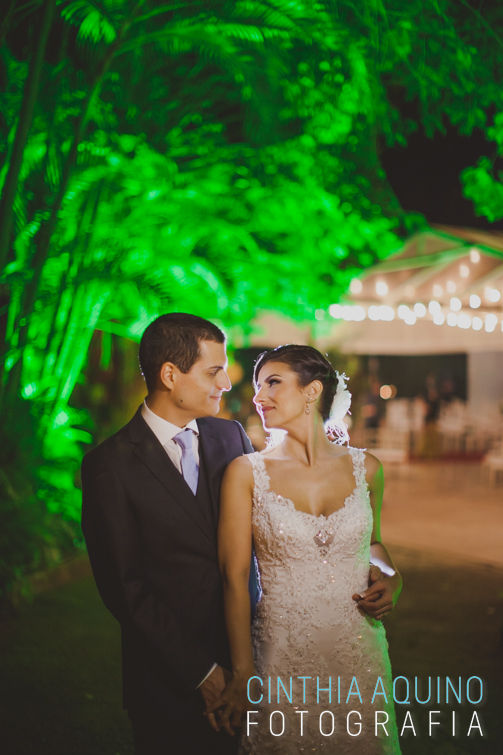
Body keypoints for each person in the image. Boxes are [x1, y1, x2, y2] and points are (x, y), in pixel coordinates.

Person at [81, 313, 257, 754]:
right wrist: (201, 672)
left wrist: (375, 562)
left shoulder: (231, 437)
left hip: (249, 662)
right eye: (214, 371)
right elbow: (125, 588)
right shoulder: (110, 466)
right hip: (165, 681)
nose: (226, 383)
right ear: (169, 375)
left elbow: (279, 527)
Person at [216, 344, 402, 753]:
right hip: (281, 655)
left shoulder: (367, 469)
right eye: (258, 386)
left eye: (273, 383)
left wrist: (391, 577)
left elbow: (373, 543)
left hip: (358, 652)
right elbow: (233, 577)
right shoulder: (245, 474)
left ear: (312, 391)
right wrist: (244, 671)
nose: (259, 397)